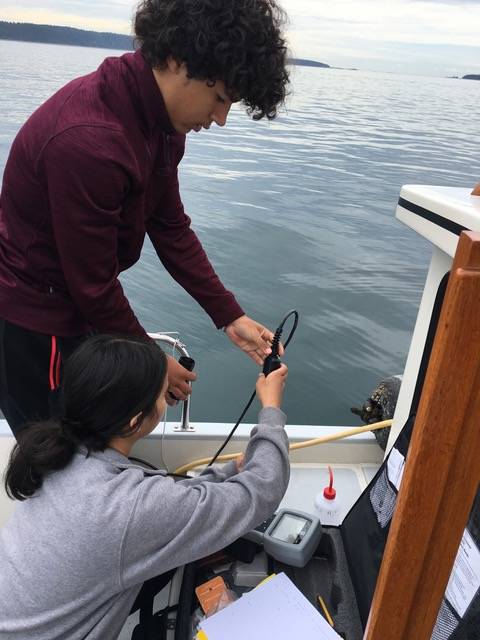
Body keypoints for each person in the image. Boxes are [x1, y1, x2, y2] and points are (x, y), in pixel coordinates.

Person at [0, 0, 290, 435]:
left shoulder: (160, 125)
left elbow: (170, 226)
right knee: (52, 451)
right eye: (219, 98)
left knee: (88, 438)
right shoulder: (90, 142)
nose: (221, 119)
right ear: (176, 60)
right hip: (33, 323)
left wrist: (229, 315)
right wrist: (153, 362)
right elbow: (94, 286)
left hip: (78, 306)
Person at [0, 333, 290, 639]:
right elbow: (263, 490)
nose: (167, 397)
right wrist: (271, 408)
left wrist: (229, 472)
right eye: (162, 393)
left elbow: (159, 507)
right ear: (135, 421)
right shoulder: (128, 508)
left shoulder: (57, 456)